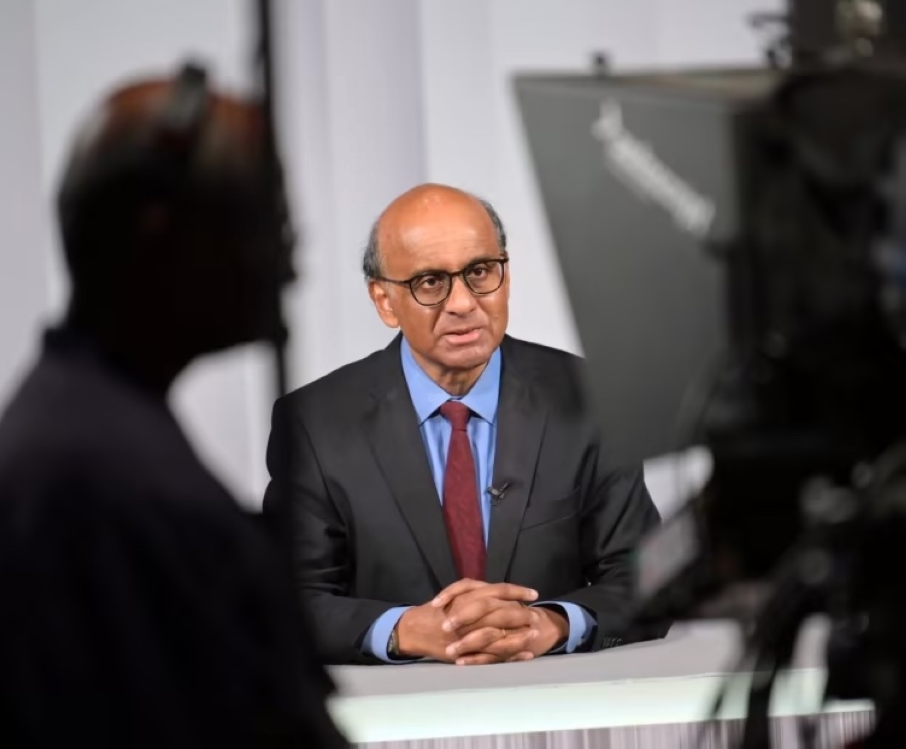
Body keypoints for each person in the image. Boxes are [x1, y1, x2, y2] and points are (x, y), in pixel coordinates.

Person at [0, 65, 346, 748]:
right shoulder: (113, 485)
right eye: (261, 223)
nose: (288, 265)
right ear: (159, 235)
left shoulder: (79, 431)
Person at [263, 183, 664, 666]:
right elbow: (287, 600)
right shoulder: (313, 423)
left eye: (479, 272)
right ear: (385, 300)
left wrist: (551, 624)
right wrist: (404, 630)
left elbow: (647, 575)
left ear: (506, 275)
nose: (462, 303)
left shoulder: (594, 398)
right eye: (430, 282)